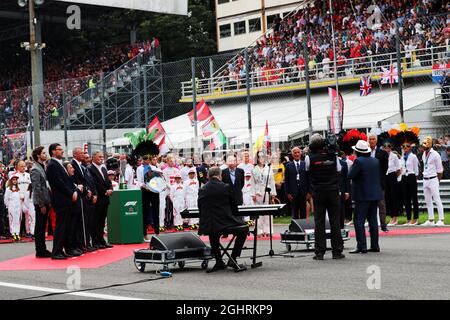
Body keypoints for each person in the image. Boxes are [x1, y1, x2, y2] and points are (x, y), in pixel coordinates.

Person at [198, 167, 249, 273]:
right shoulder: (226, 187)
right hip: (225, 223)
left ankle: (219, 261)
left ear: (208, 176)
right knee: (244, 229)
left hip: (210, 224)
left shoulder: (202, 189)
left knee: (213, 233)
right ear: (220, 176)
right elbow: (234, 207)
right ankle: (233, 258)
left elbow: (200, 207)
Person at [307, 134, 344, 260]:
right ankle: (337, 251)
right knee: (335, 221)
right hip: (333, 191)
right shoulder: (334, 156)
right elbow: (339, 170)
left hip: (318, 192)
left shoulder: (309, 158)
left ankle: (320, 252)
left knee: (319, 222)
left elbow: (307, 171)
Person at [348, 140, 383, 254]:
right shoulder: (375, 161)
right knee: (373, 221)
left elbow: (350, 175)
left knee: (359, 220)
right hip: (375, 194)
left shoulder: (358, 161)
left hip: (362, 195)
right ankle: (374, 245)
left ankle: (361, 246)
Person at [46, 143, 78, 260]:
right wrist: (71, 193)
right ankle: (56, 251)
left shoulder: (58, 164)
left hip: (66, 200)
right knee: (60, 227)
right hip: (61, 200)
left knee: (65, 227)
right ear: (53, 152)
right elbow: (59, 183)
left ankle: (63, 249)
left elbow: (67, 181)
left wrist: (73, 191)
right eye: (59, 150)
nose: (62, 151)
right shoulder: (52, 165)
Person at [88, 151, 114, 249]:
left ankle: (101, 240)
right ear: (93, 157)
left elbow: (108, 181)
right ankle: (95, 241)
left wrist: (111, 189)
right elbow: (94, 183)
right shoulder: (90, 169)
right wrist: (105, 191)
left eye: (102, 157)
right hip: (98, 198)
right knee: (95, 221)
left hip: (105, 198)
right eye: (99, 156)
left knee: (102, 221)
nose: (101, 158)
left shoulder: (103, 168)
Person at [71, 147, 95, 252]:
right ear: (75, 154)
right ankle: (80, 244)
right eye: (81, 153)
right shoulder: (73, 165)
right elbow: (76, 181)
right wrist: (85, 191)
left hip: (84, 196)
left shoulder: (82, 166)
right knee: (79, 223)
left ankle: (85, 243)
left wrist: (88, 190)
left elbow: (86, 181)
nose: (83, 155)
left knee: (85, 221)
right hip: (79, 197)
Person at [30, 146, 52, 258]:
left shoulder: (42, 166)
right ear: (38, 155)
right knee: (40, 226)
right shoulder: (35, 169)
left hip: (45, 200)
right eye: (43, 153)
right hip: (40, 202)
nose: (45, 154)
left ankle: (42, 249)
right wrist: (41, 204)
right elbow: (36, 188)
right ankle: (40, 250)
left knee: (43, 226)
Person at [420, 137, 445, 226]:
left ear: (429, 144)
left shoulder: (435, 154)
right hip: (425, 179)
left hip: (433, 178)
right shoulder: (424, 154)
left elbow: (440, 170)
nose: (423, 147)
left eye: (424, 145)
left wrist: (437, 181)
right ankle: (431, 220)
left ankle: (441, 220)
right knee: (428, 200)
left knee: (437, 199)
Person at [367, 133, 389, 232]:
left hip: (379, 182)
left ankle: (383, 224)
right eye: (370, 139)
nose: (372, 141)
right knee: (370, 205)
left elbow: (385, 168)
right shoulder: (365, 152)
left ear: (376, 140)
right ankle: (372, 225)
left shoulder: (382, 153)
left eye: (373, 139)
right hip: (368, 182)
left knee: (381, 204)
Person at [251, 151, 276, 237]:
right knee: (259, 212)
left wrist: (273, 193)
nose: (261, 158)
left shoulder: (269, 168)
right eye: (259, 157)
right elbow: (252, 182)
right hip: (258, 192)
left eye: (262, 156)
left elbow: (272, 181)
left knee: (268, 211)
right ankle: (259, 230)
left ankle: (268, 230)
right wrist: (253, 194)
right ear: (257, 158)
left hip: (267, 191)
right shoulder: (254, 169)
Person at [64, 161, 84, 257]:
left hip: (75, 207)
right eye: (70, 168)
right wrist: (77, 188)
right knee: (70, 228)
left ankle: (75, 246)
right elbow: (73, 194)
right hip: (69, 206)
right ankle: (70, 248)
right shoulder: (66, 180)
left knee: (75, 227)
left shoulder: (71, 179)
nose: (73, 169)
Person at [284, 147, 310, 219]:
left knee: (303, 213)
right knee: (295, 213)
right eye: (295, 153)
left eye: (298, 152)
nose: (297, 154)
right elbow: (286, 181)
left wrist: (309, 192)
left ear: (301, 153)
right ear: (292, 154)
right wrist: (288, 193)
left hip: (303, 193)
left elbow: (309, 179)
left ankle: (303, 228)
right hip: (293, 193)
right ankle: (295, 228)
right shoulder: (288, 166)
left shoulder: (305, 164)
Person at [399, 143, 419, 225]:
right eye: (403, 147)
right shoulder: (402, 157)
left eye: (407, 146)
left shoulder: (413, 156)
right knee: (406, 198)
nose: (405, 148)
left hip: (411, 176)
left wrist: (415, 178)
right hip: (404, 176)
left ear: (410, 148)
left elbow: (416, 169)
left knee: (414, 198)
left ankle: (415, 218)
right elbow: (402, 167)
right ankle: (408, 218)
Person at [15, 160, 35, 238]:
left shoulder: (28, 175)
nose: (23, 167)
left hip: (27, 198)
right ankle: (17, 232)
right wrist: (19, 195)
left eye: (24, 166)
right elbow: (13, 186)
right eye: (22, 166)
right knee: (18, 215)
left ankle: (28, 231)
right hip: (18, 198)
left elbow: (30, 187)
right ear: (18, 167)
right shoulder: (15, 175)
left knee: (28, 215)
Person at [384, 143, 402, 225]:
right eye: (385, 147)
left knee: (393, 197)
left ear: (391, 148)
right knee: (387, 197)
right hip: (386, 176)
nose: (387, 149)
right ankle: (391, 216)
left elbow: (398, 169)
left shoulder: (394, 156)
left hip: (392, 175)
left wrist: (394, 177)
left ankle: (395, 217)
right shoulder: (383, 156)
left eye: (388, 147)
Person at [4, 174, 22, 242]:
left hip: (18, 205)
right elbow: (6, 199)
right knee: (12, 219)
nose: (15, 181)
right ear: (11, 180)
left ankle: (17, 233)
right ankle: (13, 233)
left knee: (17, 219)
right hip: (11, 205)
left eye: (16, 179)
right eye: (13, 179)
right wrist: (8, 206)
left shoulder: (18, 188)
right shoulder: (8, 189)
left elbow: (20, 198)